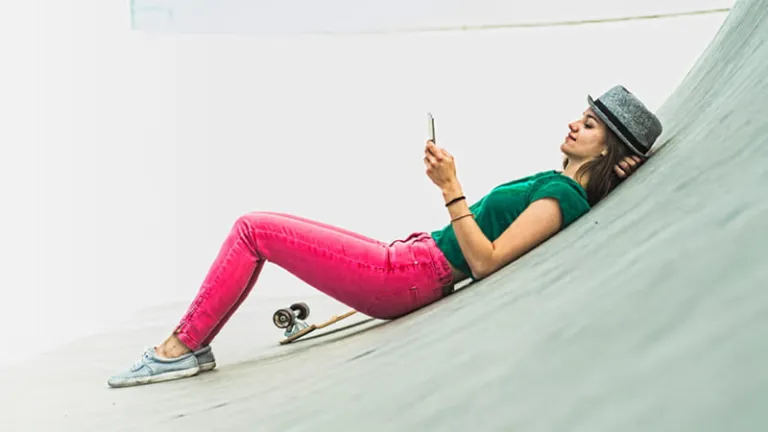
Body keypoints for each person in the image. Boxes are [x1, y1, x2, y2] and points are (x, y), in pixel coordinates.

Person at [107, 85, 662, 388]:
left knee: (253, 230)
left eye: (589, 124)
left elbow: (489, 260)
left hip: (411, 276)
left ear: (608, 148)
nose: (573, 123)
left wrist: (451, 187)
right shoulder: (558, 182)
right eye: (581, 114)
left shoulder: (563, 198)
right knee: (259, 230)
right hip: (409, 259)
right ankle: (189, 346)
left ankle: (180, 348)